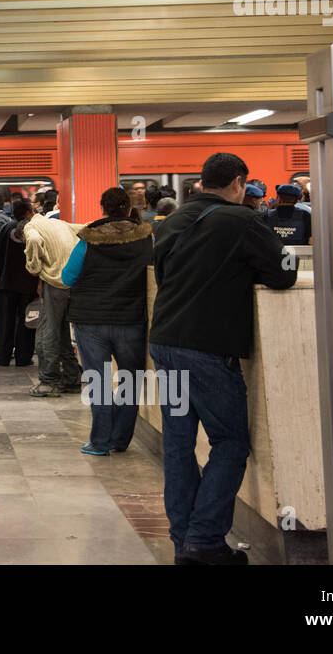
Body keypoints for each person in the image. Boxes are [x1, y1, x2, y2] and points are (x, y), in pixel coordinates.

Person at [150, 152, 298, 565]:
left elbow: (167, 278)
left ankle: (185, 542)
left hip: (165, 342)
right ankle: (204, 541)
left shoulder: (172, 221)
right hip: (207, 348)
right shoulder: (243, 220)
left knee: (179, 446)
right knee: (230, 443)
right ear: (238, 182)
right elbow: (284, 271)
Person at [61, 187, 154, 455]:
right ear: (128, 208)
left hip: (90, 321)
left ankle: (100, 443)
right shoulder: (146, 238)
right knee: (130, 380)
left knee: (99, 382)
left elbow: (68, 277)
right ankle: (120, 440)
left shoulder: (88, 240)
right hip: (130, 319)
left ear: (103, 209)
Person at [23, 207, 83, 396]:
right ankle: (72, 378)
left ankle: (49, 381)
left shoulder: (31, 227)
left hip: (54, 282)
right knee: (63, 330)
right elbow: (86, 228)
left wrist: (34, 266)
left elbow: (33, 240)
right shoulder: (60, 224)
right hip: (73, 280)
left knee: (47, 331)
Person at [0, 198, 39, 366]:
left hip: (6, 283)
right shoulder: (34, 230)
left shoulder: (5, 228)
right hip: (28, 284)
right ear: (27, 213)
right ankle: (23, 357)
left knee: (4, 322)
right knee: (26, 322)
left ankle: (1, 356)